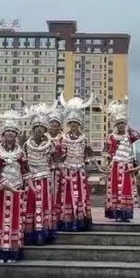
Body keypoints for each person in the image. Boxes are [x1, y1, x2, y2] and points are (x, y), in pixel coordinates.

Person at [0, 113, 28, 262]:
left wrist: (28, 185)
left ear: (16, 135)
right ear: (2, 135)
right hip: (1, 189)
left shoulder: (20, 152)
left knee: (15, 219)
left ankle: (12, 252)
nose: (10, 135)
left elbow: (25, 169)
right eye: (7, 132)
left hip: (17, 187)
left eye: (13, 132)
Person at [57, 96, 95, 232]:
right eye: (72, 123)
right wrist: (62, 170)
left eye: (76, 123)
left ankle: (80, 220)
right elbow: (60, 156)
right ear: (69, 124)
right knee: (67, 195)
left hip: (80, 170)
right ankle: (67, 220)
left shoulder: (84, 138)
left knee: (81, 195)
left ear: (79, 125)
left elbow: (89, 155)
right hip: (67, 171)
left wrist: (96, 168)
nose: (74, 126)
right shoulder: (64, 138)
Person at [103, 99, 140, 223]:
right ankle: (116, 213)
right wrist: (106, 163)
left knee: (126, 189)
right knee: (115, 188)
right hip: (115, 166)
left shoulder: (129, 136)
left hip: (127, 166)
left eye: (123, 123)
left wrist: (128, 127)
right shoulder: (111, 136)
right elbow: (106, 151)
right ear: (115, 125)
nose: (121, 125)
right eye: (119, 123)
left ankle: (126, 214)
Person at [23, 105, 58, 245]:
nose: (39, 130)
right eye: (36, 127)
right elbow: (23, 162)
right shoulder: (26, 144)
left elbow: (55, 160)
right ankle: (30, 233)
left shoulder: (50, 145)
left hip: (45, 178)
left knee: (45, 204)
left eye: (41, 128)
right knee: (30, 204)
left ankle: (44, 232)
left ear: (45, 130)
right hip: (30, 178)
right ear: (33, 129)